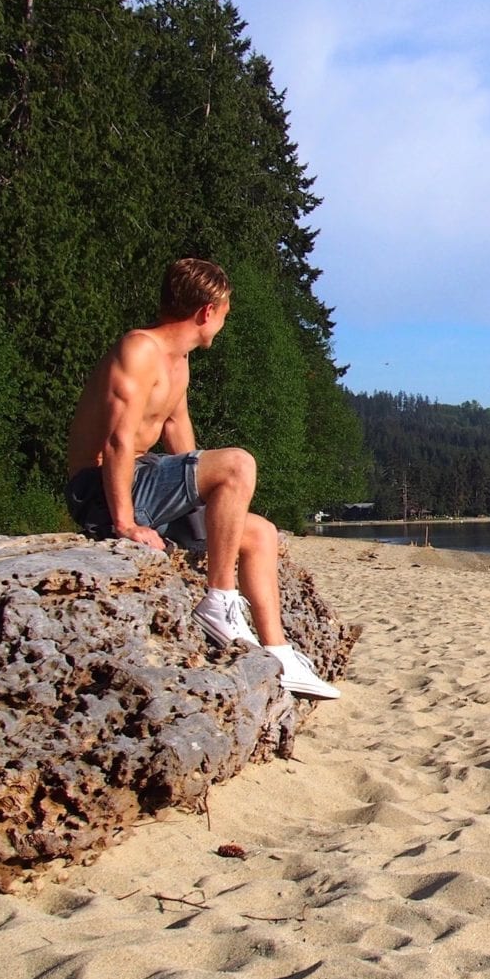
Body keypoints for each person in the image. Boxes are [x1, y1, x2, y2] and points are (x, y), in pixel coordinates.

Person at [65, 257, 340, 699]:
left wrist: (208, 503)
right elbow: (117, 442)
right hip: (102, 488)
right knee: (238, 463)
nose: (223, 324)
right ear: (206, 311)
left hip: (145, 482)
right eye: (225, 314)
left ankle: (278, 651)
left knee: (259, 533)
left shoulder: (178, 364)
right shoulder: (139, 350)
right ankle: (219, 600)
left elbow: (184, 447)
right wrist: (124, 523)